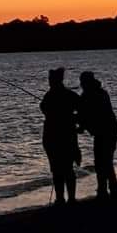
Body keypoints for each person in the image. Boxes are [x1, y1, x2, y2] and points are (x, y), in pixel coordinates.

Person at [40, 67, 81, 205]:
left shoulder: (49, 96)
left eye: (50, 79)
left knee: (58, 169)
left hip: (54, 137)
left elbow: (43, 109)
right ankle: (70, 198)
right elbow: (83, 109)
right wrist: (74, 119)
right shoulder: (70, 95)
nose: (49, 82)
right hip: (67, 137)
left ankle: (61, 198)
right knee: (67, 168)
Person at [78, 70, 117, 200]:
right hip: (108, 131)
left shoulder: (91, 95)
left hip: (105, 132)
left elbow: (87, 114)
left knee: (103, 162)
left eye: (82, 82)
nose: (81, 84)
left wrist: (80, 125)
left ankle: (106, 189)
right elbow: (86, 114)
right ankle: (109, 188)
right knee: (105, 161)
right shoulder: (100, 93)